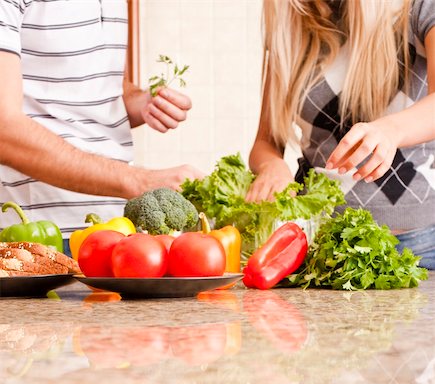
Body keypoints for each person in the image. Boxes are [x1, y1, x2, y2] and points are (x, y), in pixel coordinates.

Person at [0, 0, 204, 253]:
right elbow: (4, 129)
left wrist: (140, 102)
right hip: (35, 235)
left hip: (116, 232)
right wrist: (140, 182)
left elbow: (103, 87)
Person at [246, 0, 435, 269]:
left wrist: (391, 130)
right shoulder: (291, 25)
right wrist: (271, 165)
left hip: (420, 248)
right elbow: (266, 141)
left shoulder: (418, 7)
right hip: (319, 247)